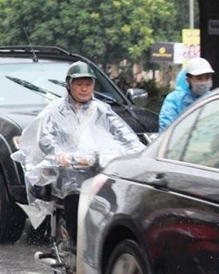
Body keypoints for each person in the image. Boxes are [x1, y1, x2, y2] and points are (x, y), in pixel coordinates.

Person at [15, 61, 144, 243]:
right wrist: (60, 155)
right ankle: (76, 245)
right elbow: (45, 138)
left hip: (98, 169)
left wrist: (139, 151)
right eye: (79, 84)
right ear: (69, 85)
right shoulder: (54, 110)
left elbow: (123, 133)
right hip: (69, 174)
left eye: (88, 84)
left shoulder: (102, 110)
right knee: (75, 201)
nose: (84, 89)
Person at [159, 57, 215, 131]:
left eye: (207, 78)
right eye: (199, 78)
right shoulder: (174, 99)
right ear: (188, 80)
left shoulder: (214, 98)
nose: (204, 82)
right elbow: (167, 129)